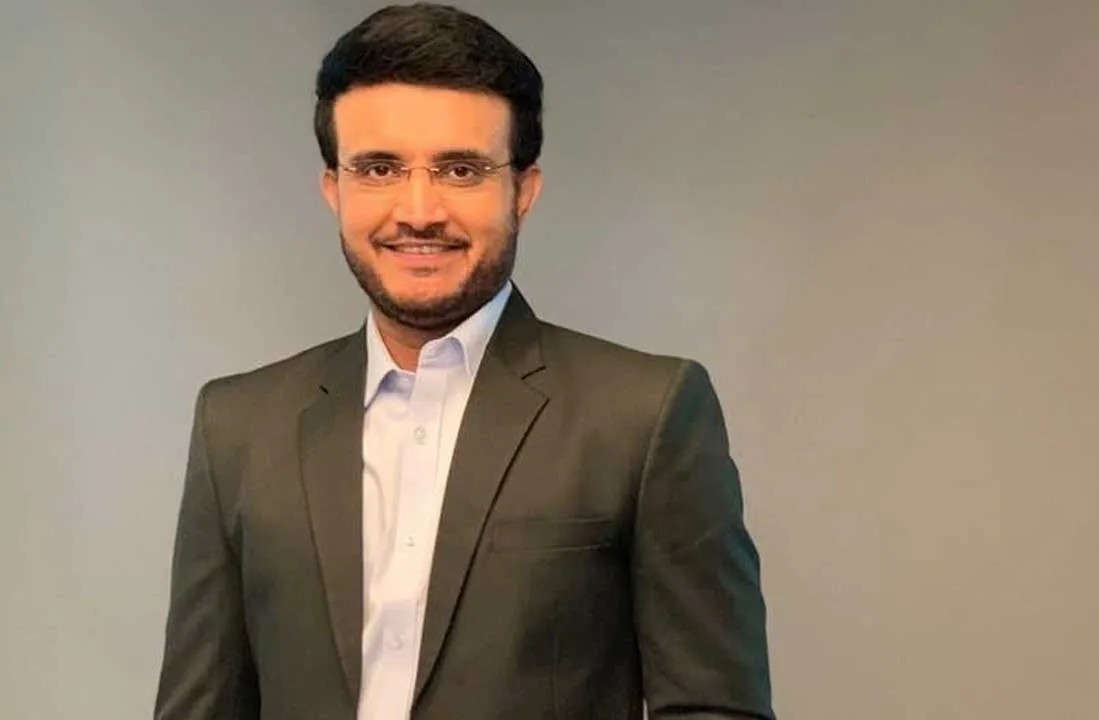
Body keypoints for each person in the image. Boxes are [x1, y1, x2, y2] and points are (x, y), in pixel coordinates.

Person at [154, 4, 773, 719]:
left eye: (460, 169)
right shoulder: (237, 427)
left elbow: (715, 707)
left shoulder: (644, 416)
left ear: (523, 190)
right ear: (334, 189)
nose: (419, 210)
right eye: (379, 168)